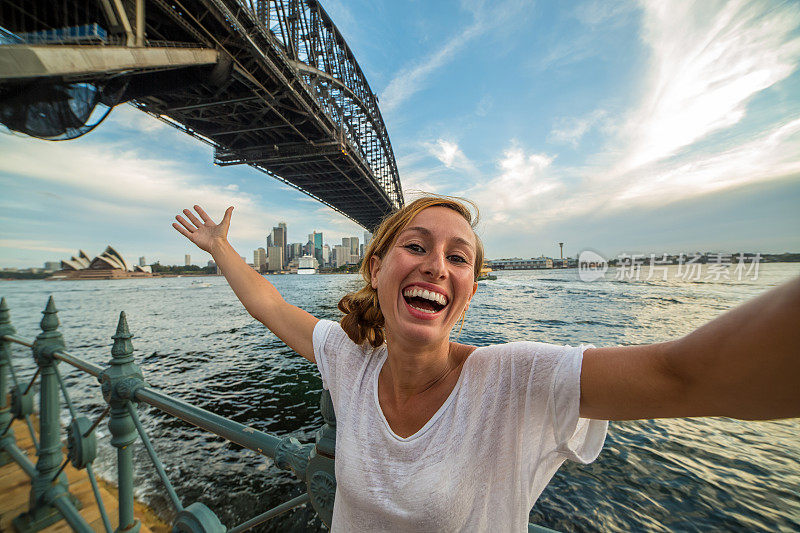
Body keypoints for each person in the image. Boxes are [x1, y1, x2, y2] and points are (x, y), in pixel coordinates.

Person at [172, 196, 800, 532]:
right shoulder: (348, 358)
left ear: (469, 289)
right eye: (415, 246)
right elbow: (273, 305)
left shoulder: (516, 379)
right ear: (376, 268)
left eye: (459, 257)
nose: (436, 265)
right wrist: (220, 247)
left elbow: (681, 376)